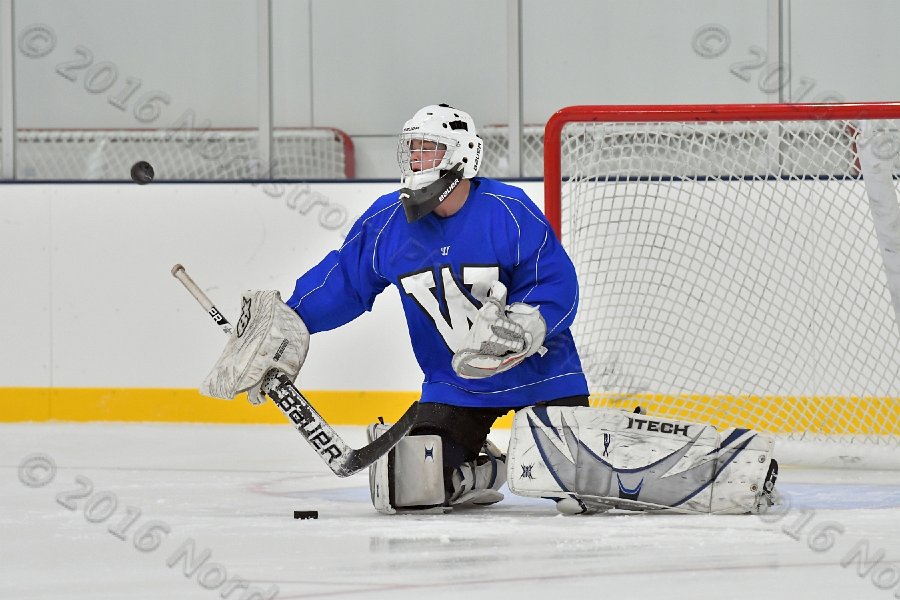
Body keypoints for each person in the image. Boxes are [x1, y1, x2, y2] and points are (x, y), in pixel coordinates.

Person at [199, 104, 778, 516]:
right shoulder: (386, 223)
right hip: (457, 389)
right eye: (413, 149)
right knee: (408, 488)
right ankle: (486, 470)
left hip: (542, 375)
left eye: (430, 149)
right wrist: (288, 322)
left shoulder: (508, 209)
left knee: (582, 491)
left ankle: (711, 462)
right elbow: (344, 282)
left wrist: (529, 324)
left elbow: (559, 284)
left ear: (462, 156)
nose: (417, 160)